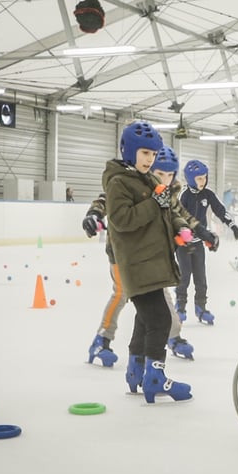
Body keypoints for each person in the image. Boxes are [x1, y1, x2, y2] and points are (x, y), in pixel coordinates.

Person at [103, 122, 215, 403]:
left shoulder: (150, 181)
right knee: (160, 319)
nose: (149, 159)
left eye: (152, 155)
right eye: (144, 153)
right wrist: (154, 202)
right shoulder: (119, 182)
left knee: (145, 318)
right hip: (137, 263)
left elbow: (166, 212)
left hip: (154, 261)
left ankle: (135, 370)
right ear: (128, 150)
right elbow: (122, 220)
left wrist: (180, 228)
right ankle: (154, 379)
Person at [83, 147, 203, 364]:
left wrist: (192, 230)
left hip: (152, 256)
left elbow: (179, 214)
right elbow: (104, 200)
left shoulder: (166, 191)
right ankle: (102, 338)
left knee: (161, 296)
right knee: (121, 293)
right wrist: (93, 214)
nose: (164, 179)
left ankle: (173, 336)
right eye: (160, 174)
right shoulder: (129, 183)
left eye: (170, 175)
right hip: (123, 255)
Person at [176, 159, 238, 325]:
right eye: (199, 178)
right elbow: (177, 219)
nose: (203, 181)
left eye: (205, 178)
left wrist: (233, 227)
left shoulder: (208, 194)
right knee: (184, 277)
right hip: (183, 243)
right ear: (190, 179)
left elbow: (221, 210)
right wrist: (185, 239)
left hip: (198, 242)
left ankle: (201, 308)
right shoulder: (183, 195)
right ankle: (180, 308)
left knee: (201, 277)